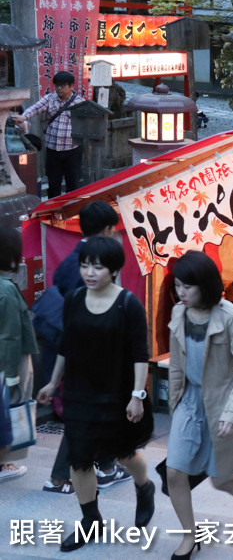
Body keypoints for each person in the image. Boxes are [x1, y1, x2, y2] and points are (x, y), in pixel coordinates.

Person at [36, 237, 155, 552]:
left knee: (124, 454)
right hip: (79, 393)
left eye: (97, 267)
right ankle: (91, 520)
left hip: (116, 393)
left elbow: (140, 354)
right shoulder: (75, 299)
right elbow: (66, 346)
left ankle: (145, 487)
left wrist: (136, 395)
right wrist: (52, 382)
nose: (89, 272)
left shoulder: (128, 304)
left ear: (114, 269)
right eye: (85, 265)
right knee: (80, 461)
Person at [164, 250, 233, 560]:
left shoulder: (229, 315)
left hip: (222, 401)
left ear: (205, 285)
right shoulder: (179, 314)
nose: (181, 293)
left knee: (220, 478)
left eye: (188, 287)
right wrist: (174, 404)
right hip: (190, 401)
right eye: (178, 286)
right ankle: (189, 537)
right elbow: (176, 364)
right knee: (174, 473)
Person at [41, 201, 128, 495]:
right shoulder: (94, 264)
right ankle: (58, 477)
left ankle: (106, 467)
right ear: (106, 229)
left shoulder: (73, 260)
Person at [0, 227, 38, 483]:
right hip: (8, 362)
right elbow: (10, 336)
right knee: (9, 409)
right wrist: (12, 375)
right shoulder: (6, 290)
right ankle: (3, 463)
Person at [12, 70, 85, 198]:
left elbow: (89, 121)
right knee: (53, 184)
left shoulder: (79, 102)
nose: (59, 88)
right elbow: (35, 108)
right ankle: (54, 214)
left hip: (73, 149)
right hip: (52, 150)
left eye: (63, 85)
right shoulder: (50, 99)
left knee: (73, 185)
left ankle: (72, 212)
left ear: (71, 86)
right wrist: (24, 117)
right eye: (56, 85)